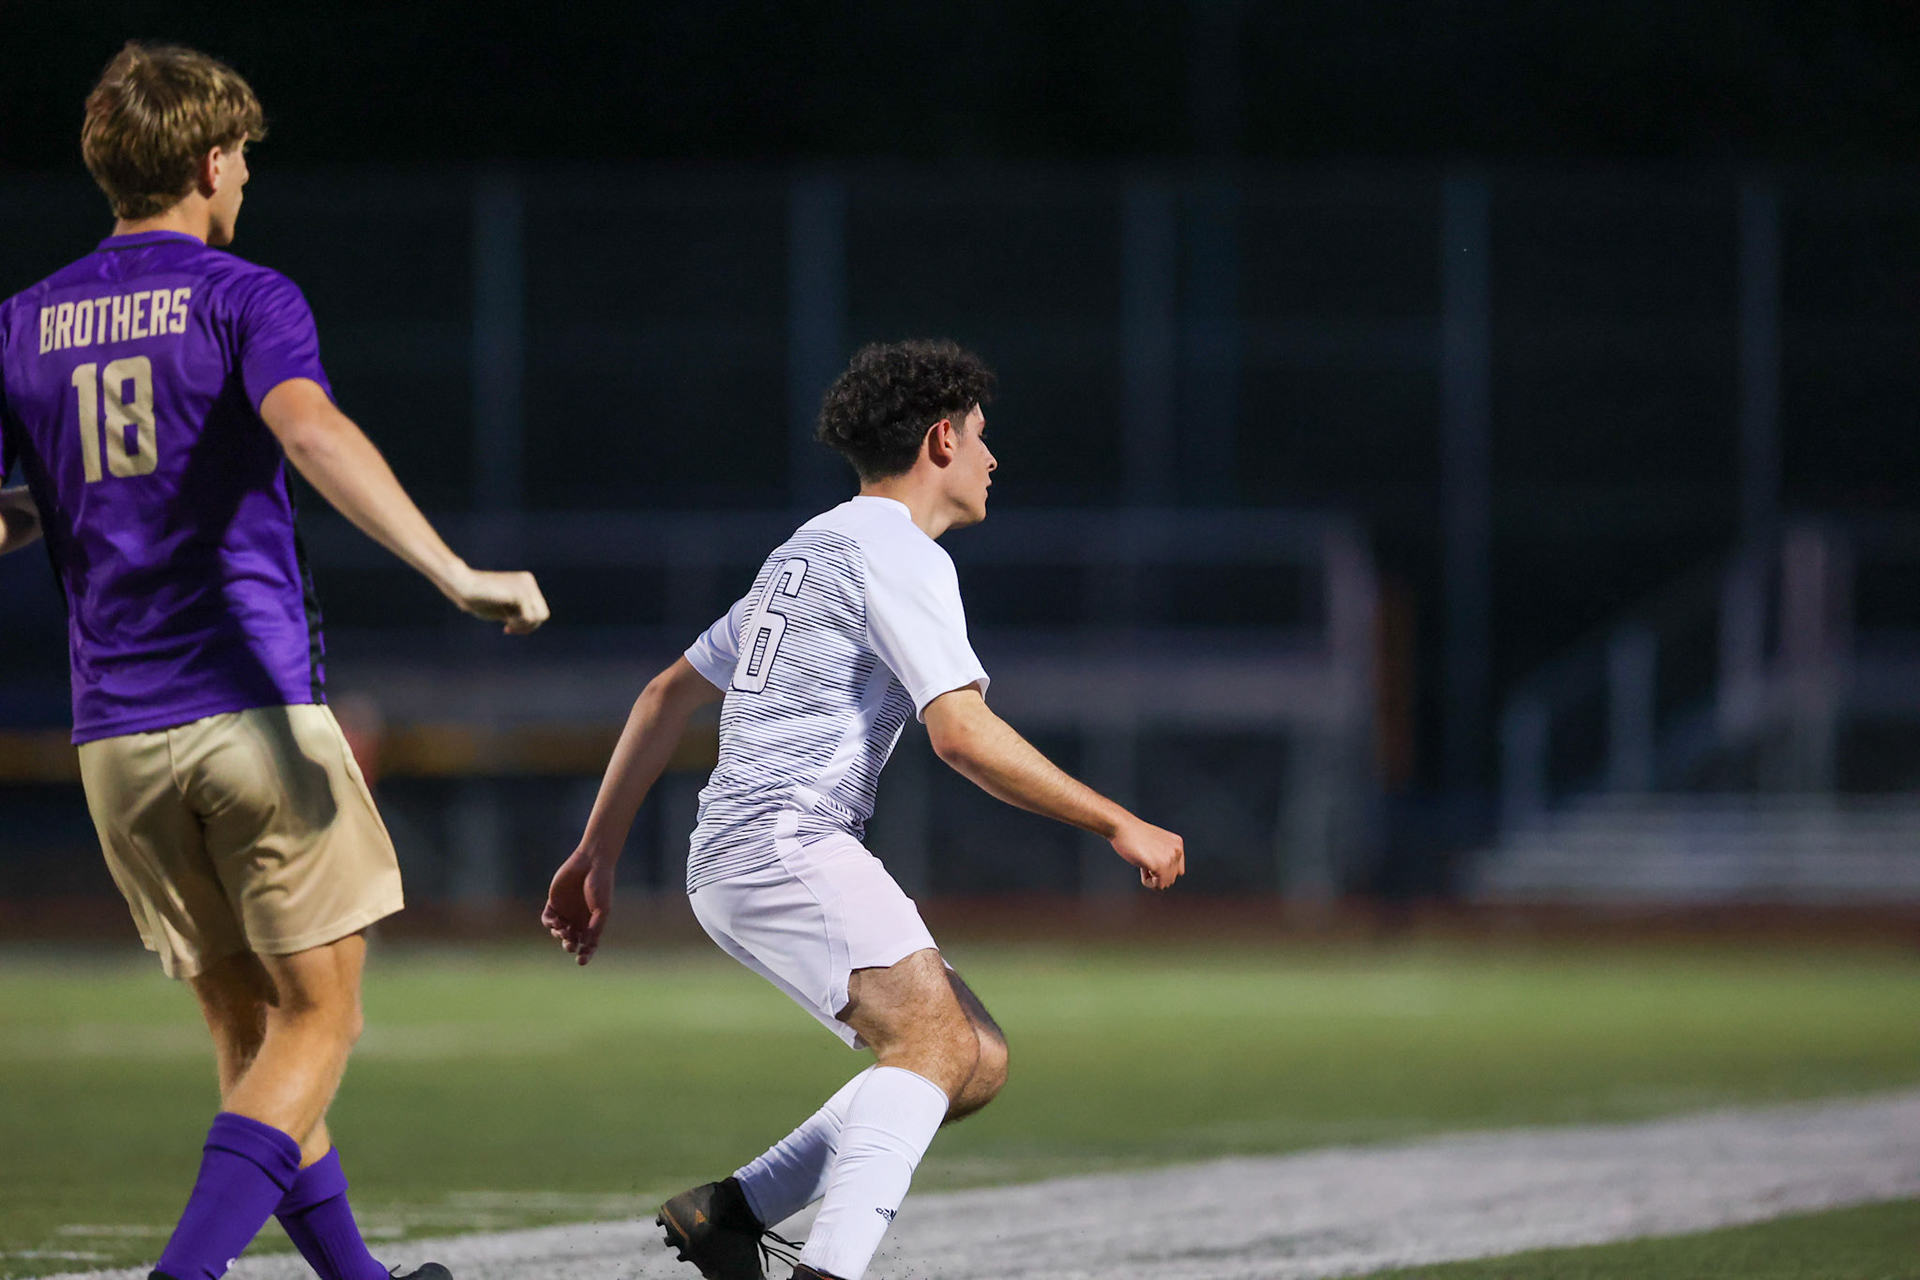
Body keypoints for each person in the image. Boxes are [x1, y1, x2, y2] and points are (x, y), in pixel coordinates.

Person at [0, 43, 550, 1280]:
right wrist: (452, 569)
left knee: (251, 1028)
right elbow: (308, 427)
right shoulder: (246, 295)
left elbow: (17, 501)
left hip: (112, 739)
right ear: (207, 161)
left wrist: (49, 504)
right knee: (324, 1017)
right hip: (246, 718)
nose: (246, 176)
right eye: (241, 155)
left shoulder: (21, 320)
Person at [543, 339, 1185, 1280]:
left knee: (975, 1058)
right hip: (784, 841)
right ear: (939, 440)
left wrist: (595, 853)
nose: (992, 459)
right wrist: (1115, 819)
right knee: (931, 1042)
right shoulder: (897, 552)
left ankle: (732, 1213)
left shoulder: (806, 549)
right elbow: (961, 734)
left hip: (740, 853)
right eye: (979, 437)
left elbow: (662, 695)